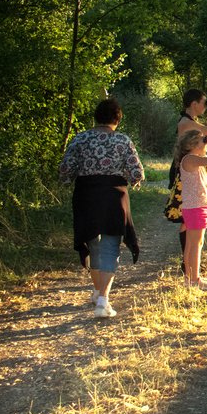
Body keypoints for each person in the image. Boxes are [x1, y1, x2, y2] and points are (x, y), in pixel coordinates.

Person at [58, 98, 144, 319]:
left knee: (93, 243)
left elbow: (65, 171)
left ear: (96, 117)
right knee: (110, 245)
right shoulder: (123, 141)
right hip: (114, 196)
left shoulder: (81, 138)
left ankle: (98, 293)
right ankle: (103, 300)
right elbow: (137, 174)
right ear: (117, 119)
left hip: (86, 195)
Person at [171, 89, 207, 270]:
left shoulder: (193, 122)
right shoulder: (186, 123)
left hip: (196, 169)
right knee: (188, 222)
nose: (205, 106)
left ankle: (191, 266)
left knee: (189, 223)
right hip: (188, 172)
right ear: (194, 104)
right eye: (204, 102)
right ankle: (190, 268)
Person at [175, 129, 207, 289]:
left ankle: (190, 278)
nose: (206, 144)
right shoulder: (190, 159)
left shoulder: (193, 159)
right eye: (203, 141)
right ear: (192, 144)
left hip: (195, 206)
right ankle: (194, 280)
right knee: (196, 244)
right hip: (196, 207)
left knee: (191, 244)